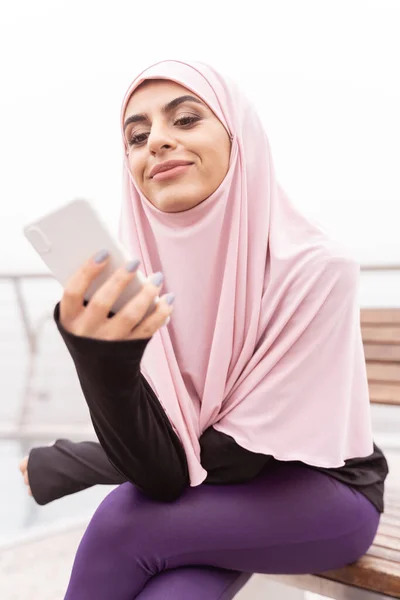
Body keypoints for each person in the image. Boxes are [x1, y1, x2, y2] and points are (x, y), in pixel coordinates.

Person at [19, 59, 389, 600]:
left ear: (240, 138)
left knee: (123, 522)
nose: (157, 143)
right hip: (215, 489)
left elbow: (231, 456)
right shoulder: (146, 278)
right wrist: (98, 355)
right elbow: (164, 468)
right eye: (137, 136)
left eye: (186, 119)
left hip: (324, 492)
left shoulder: (316, 268)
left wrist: (76, 462)